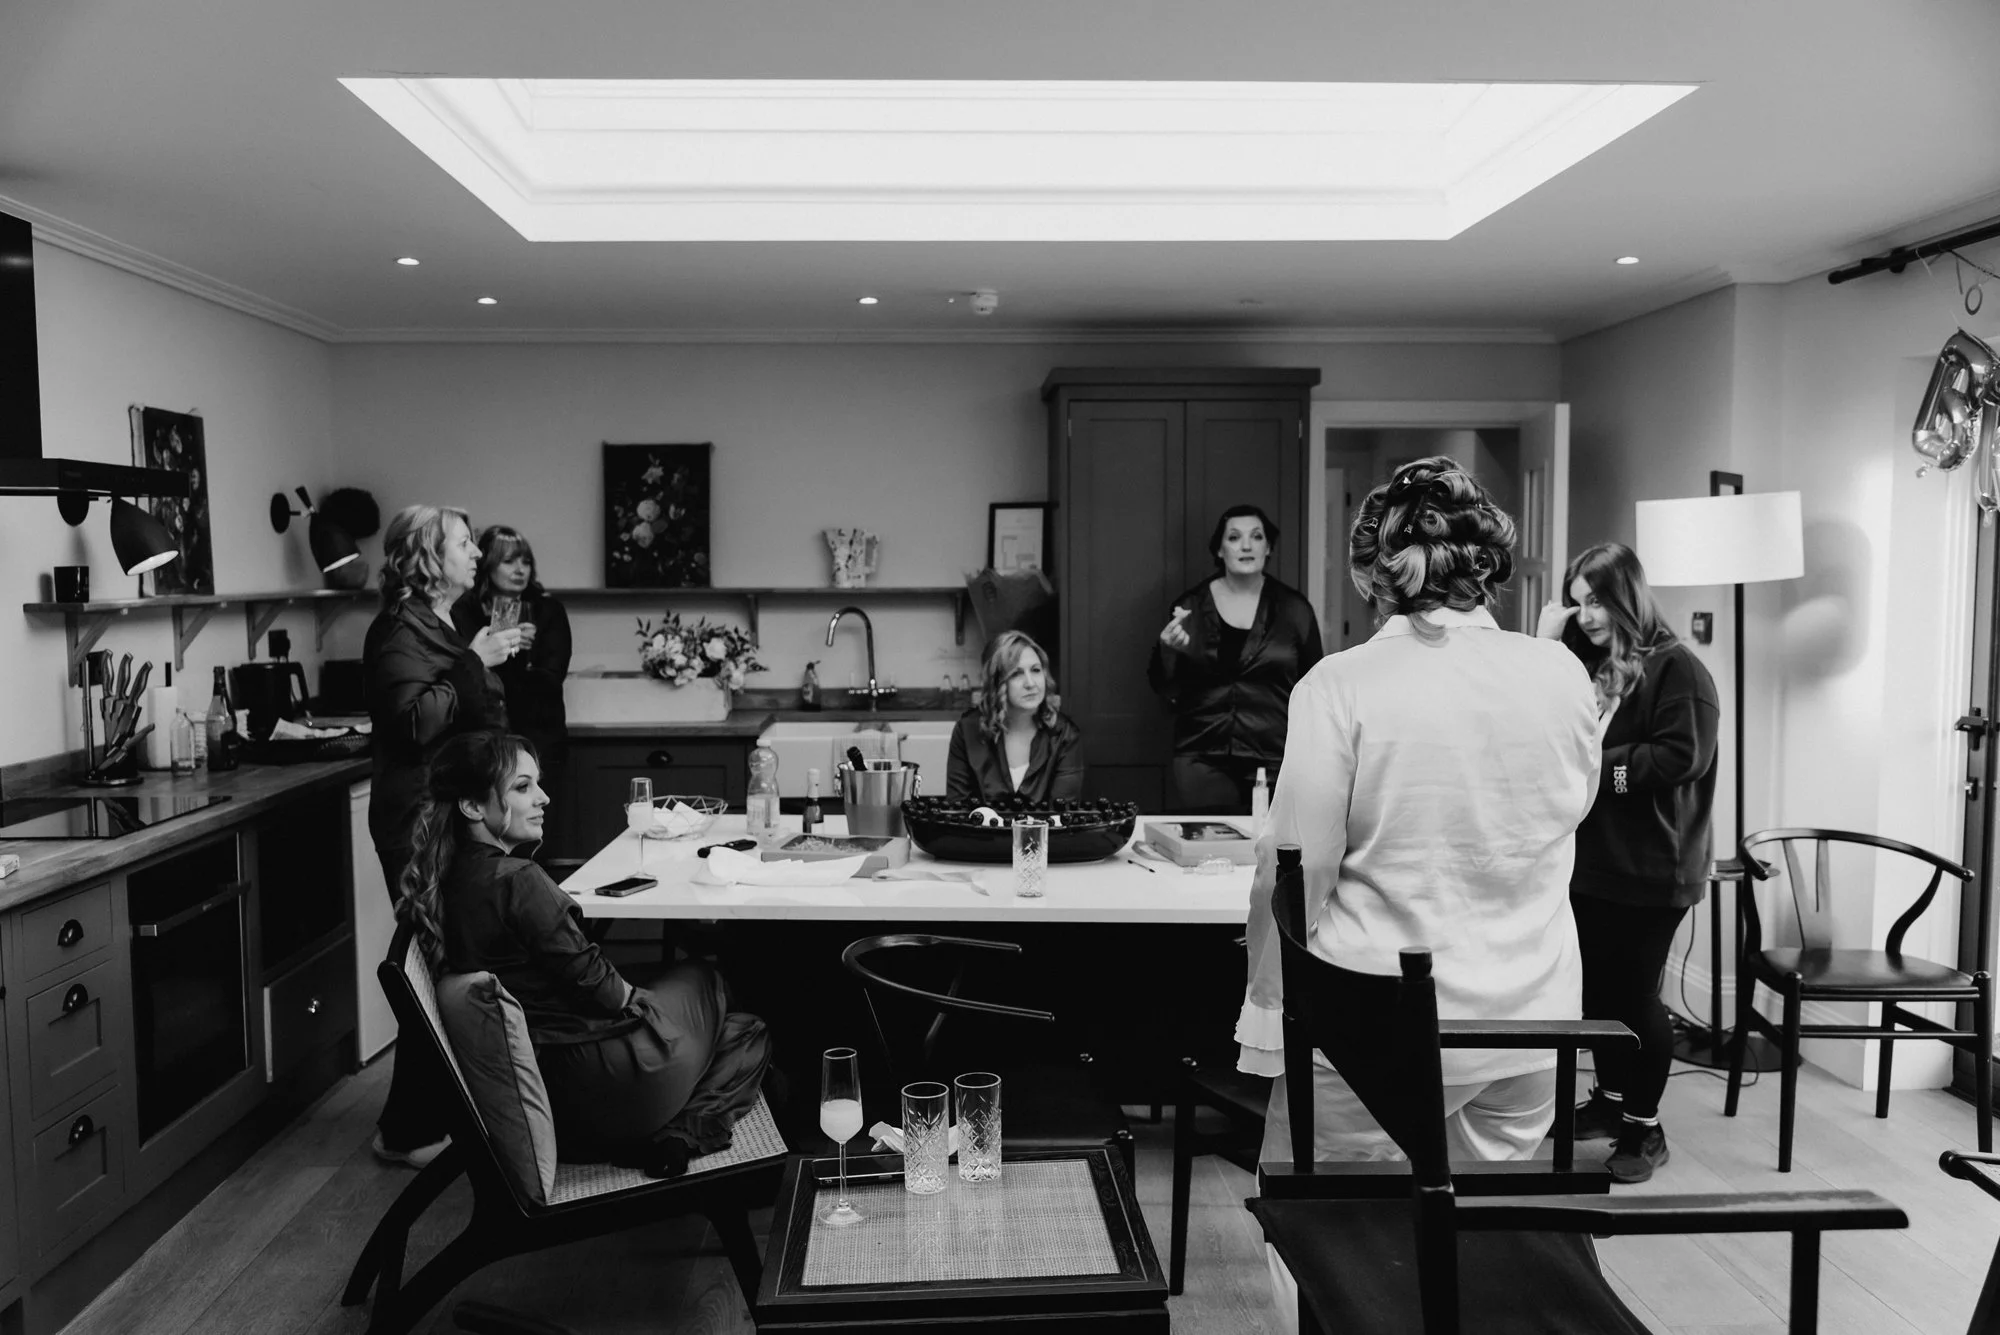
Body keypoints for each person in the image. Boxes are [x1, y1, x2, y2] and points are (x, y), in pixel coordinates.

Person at [1236, 457, 1603, 1168]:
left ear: (1373, 571)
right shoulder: (1563, 673)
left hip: (1374, 1024)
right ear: (1485, 560)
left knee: (1329, 1238)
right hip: (1531, 1020)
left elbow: (1294, 873)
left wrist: (1265, 1008)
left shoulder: (1338, 686)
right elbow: (1571, 810)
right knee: (1487, 1238)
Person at [397, 730, 771, 1171]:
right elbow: (606, 992)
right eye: (522, 787)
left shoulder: (444, 883)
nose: (544, 798)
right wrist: (647, 1007)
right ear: (473, 806)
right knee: (710, 981)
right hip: (606, 1081)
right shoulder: (516, 879)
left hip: (553, 1093)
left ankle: (672, 1136)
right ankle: (683, 1131)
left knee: (742, 1029)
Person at [1538, 542, 1719, 1184]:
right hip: (1592, 863)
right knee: (1593, 994)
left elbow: (1680, 758)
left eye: (1597, 600)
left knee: (1636, 998)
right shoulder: (1591, 669)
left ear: (1627, 596)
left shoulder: (1678, 670)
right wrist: (1548, 640)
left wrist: (1604, 771)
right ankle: (1610, 1105)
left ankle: (1646, 1128)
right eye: (1578, 601)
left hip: (1653, 867)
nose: (1587, 615)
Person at [364, 503, 520, 1166]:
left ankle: (425, 1117)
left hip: (443, 812)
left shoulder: (440, 622)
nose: (475, 553)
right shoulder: (399, 626)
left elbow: (460, 708)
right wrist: (474, 660)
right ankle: (406, 1130)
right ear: (429, 555)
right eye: (462, 543)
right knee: (434, 966)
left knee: (446, 963)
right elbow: (413, 724)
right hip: (415, 818)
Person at [1148, 504, 1322, 813]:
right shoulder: (1189, 608)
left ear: (1268, 547)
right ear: (1219, 548)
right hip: (1202, 755)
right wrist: (1167, 650)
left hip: (1274, 757)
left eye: (1256, 537)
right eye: (1234, 537)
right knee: (1214, 854)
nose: (1246, 545)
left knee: (1269, 853)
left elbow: (1314, 688)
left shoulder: (1295, 610)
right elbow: (1166, 689)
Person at [453, 525, 573, 805]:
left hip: (541, 740)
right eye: (509, 561)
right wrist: (507, 646)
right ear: (488, 564)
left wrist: (515, 653)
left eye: (526, 561)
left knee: (542, 830)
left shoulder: (546, 609)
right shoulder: (463, 610)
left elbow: (551, 680)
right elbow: (469, 679)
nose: (520, 570)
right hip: (484, 741)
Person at [945, 630, 1086, 804]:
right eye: (1016, 674)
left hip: (1046, 832)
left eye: (1035, 670)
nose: (1031, 683)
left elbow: (1062, 816)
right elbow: (957, 810)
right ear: (997, 682)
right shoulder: (967, 731)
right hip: (979, 832)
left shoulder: (1065, 735)